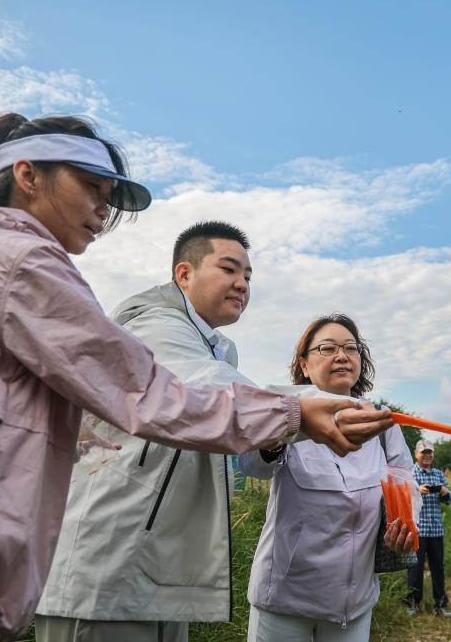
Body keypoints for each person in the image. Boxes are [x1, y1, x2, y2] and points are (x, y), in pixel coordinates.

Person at [0, 114, 391, 642]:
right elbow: (157, 392)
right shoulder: (34, 269)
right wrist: (300, 408)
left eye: (249, 274)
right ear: (28, 175)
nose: (103, 210)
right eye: (91, 187)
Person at [36, 221, 277, 642]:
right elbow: (207, 386)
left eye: (248, 276)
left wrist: (274, 440)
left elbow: (236, 438)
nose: (242, 284)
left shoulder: (218, 349)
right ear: (184, 274)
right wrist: (306, 410)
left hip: (160, 567)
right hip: (108, 564)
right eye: (229, 269)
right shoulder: (154, 324)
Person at [238, 314, 413, 642]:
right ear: (304, 365)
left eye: (351, 348)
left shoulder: (382, 424)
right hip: (284, 601)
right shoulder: (288, 412)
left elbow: (405, 484)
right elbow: (253, 466)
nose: (342, 356)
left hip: (354, 603)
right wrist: (285, 427)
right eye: (328, 348)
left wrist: (401, 527)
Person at [405, 439, 451, 617]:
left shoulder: (438, 474)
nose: (427, 455)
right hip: (417, 529)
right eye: (423, 452)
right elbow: (403, 497)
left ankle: (441, 603)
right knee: (414, 567)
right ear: (416, 454)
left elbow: (449, 500)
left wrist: (445, 493)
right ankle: (413, 603)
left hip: (436, 529)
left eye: (429, 452)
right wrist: (416, 491)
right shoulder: (410, 473)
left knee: (438, 567)